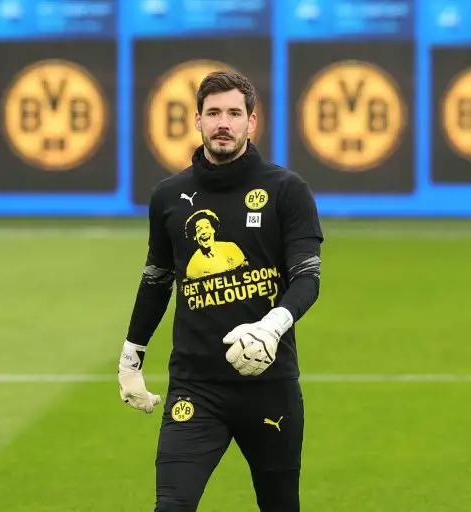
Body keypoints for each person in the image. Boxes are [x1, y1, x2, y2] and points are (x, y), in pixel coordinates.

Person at [118, 70, 323, 512]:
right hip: (195, 387)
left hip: (269, 384)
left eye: (234, 113)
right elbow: (157, 279)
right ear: (197, 120)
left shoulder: (287, 190)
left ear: (252, 121)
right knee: (171, 506)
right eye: (213, 113)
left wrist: (271, 327)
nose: (223, 123)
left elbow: (307, 277)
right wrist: (131, 357)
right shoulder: (169, 196)